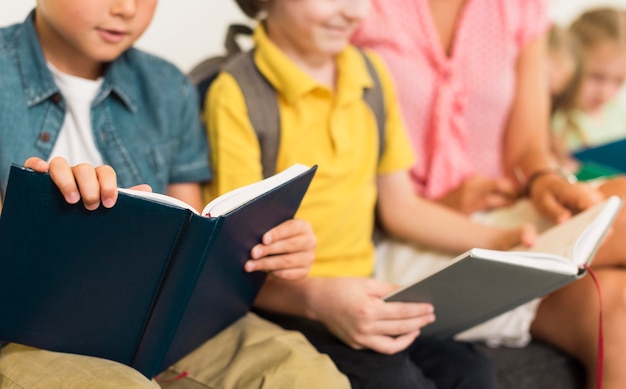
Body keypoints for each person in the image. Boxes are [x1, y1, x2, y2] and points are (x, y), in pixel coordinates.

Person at [0, 1, 350, 388]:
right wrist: (30, 216)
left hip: (158, 325)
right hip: (25, 333)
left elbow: (197, 238)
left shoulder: (169, 88)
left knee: (302, 372)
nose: (126, 9)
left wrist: (271, 251)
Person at [204, 0, 537, 387]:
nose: (355, 13)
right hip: (289, 304)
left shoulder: (370, 74)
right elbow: (236, 259)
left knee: (472, 371)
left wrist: (500, 239)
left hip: (367, 290)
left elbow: (401, 207)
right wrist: (320, 297)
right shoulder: (235, 94)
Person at [352, 1, 626, 388]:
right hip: (404, 234)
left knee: (618, 307)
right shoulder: (349, 11)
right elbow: (353, 191)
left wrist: (546, 181)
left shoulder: (517, 8)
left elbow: (528, 148)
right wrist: (445, 207)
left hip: (502, 214)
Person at [550, 7, 626, 179]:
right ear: (572, 64)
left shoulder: (618, 112)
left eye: (618, 80)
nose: (605, 92)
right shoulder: (558, 121)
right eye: (596, 77)